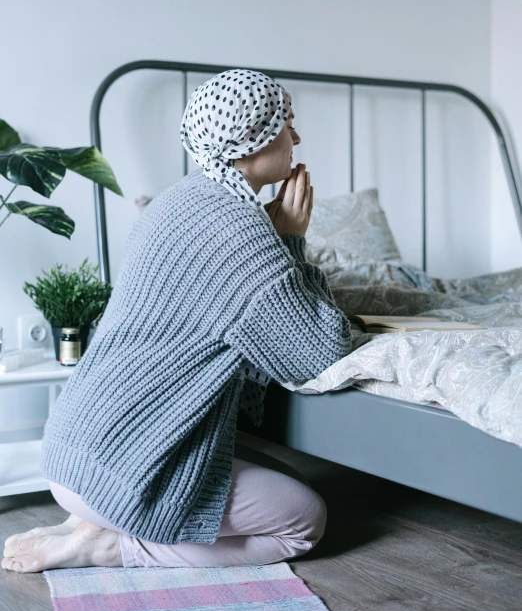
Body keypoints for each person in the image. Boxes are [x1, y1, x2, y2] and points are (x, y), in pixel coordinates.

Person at [2, 69, 354, 574]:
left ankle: (95, 521)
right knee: (304, 518)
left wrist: (275, 239)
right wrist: (293, 241)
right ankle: (110, 546)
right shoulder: (239, 229)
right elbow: (321, 352)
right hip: (120, 468)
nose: (295, 138)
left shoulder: (183, 198)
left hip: (73, 450)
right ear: (251, 137)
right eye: (287, 124)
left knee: (278, 476)